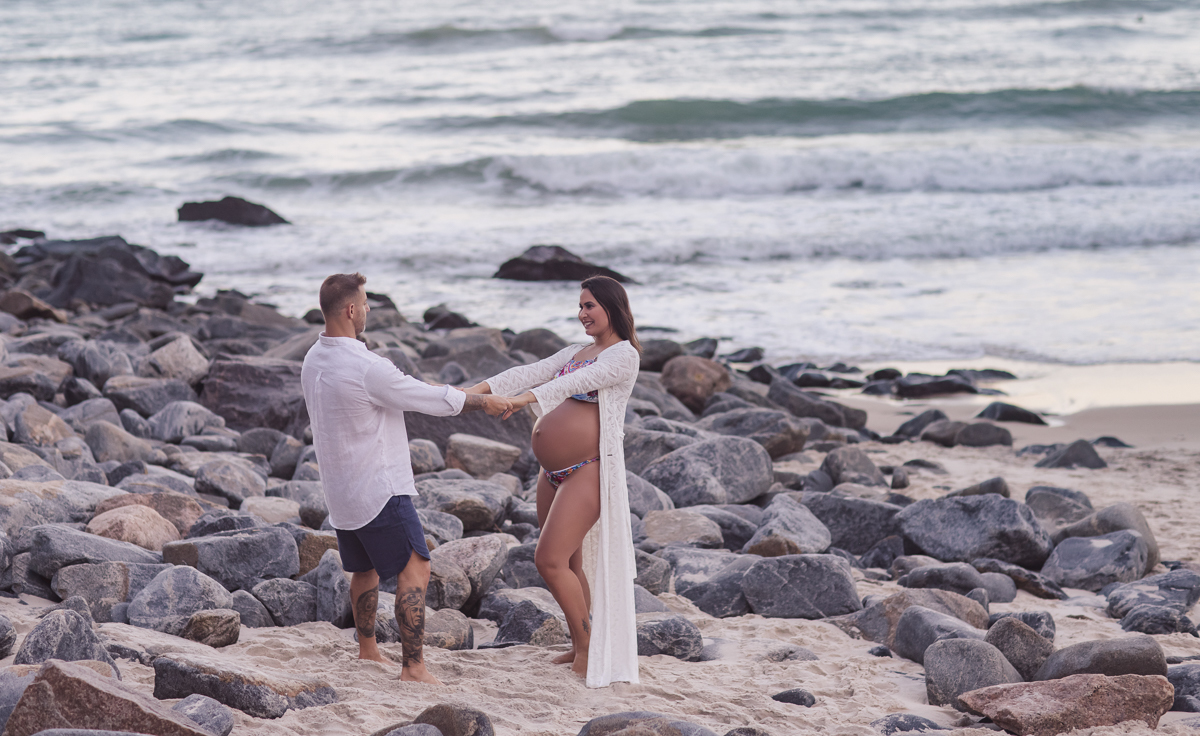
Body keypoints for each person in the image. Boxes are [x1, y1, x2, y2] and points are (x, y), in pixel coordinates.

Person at [300, 273, 511, 684]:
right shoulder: (367, 366)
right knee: (416, 568)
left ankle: (367, 650)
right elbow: (424, 397)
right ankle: (413, 667)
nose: (367, 310)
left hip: (341, 491)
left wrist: (462, 392)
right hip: (378, 487)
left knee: (365, 570)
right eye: (365, 303)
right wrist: (483, 402)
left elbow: (409, 390)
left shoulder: (314, 358)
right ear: (350, 310)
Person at [467, 275, 641, 687]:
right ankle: (582, 644)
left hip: (590, 468)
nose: (582, 314)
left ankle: (589, 648)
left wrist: (521, 401)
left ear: (612, 307)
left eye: (590, 306)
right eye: (580, 306)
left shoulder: (624, 355)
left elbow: (571, 383)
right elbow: (529, 371)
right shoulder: (576, 351)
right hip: (553, 473)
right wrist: (469, 394)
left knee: (548, 560)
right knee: (569, 564)